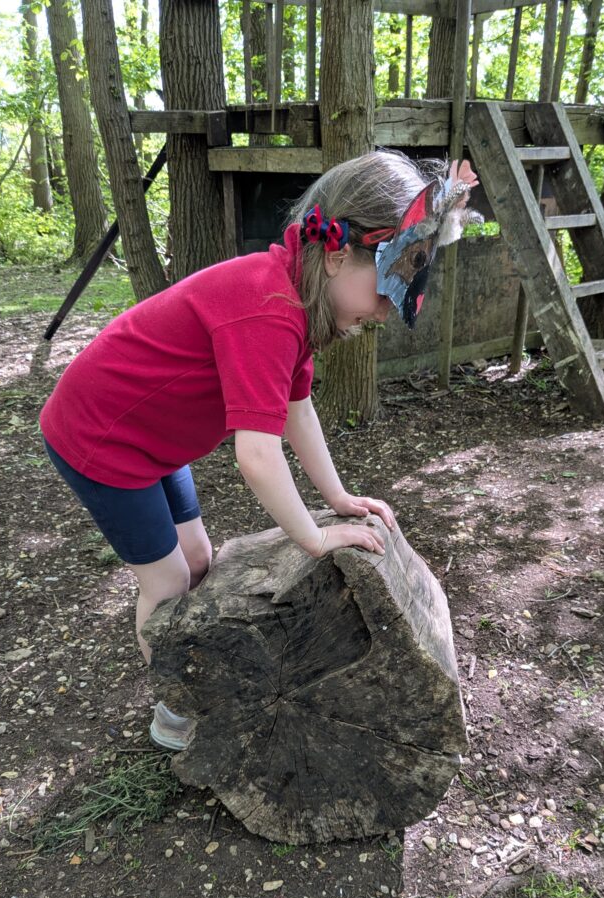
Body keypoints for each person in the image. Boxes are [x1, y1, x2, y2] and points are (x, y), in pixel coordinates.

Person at [38, 148, 475, 750]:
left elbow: (298, 410)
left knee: (198, 559)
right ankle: (174, 710)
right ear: (337, 255)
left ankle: (193, 680)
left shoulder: (296, 296)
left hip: (152, 438)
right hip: (102, 437)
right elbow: (258, 456)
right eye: (384, 286)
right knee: (167, 583)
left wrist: (338, 498)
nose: (384, 309)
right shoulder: (267, 310)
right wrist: (315, 537)